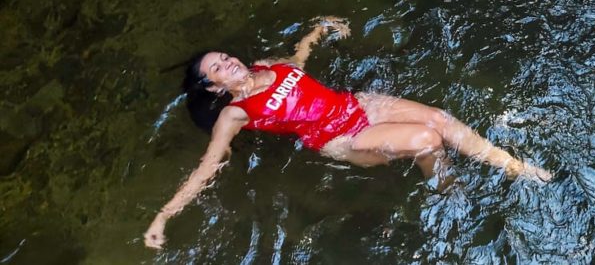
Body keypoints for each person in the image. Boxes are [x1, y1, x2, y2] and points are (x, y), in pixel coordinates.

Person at [144, 16, 550, 250]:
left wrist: (318, 29)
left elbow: (298, 63)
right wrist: (164, 214)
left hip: (356, 104)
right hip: (339, 139)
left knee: (439, 119)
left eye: (225, 57)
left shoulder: (268, 64)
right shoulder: (233, 114)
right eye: (216, 68)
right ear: (214, 87)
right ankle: (451, 196)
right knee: (428, 141)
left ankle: (513, 167)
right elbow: (208, 164)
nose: (227, 63)